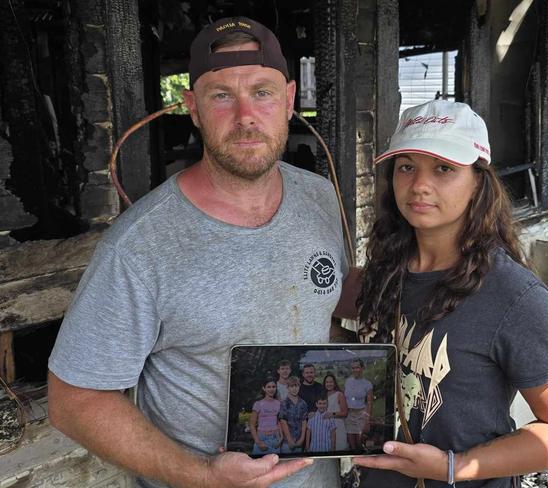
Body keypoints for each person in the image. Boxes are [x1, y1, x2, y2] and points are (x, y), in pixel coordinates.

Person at [47, 16, 351, 488]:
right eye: (222, 95)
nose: (246, 115)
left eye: (263, 92)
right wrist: (200, 474)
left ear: (289, 100)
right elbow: (75, 401)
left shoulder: (320, 199)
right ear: (192, 107)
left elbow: (324, 310)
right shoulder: (140, 246)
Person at [353, 100, 548, 487]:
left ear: (479, 181)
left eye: (444, 168)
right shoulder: (386, 269)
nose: (419, 185)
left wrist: (454, 466)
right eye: (406, 166)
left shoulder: (514, 297)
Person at [343, 359, 373, 450]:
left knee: (359, 442)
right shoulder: (347, 381)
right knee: (351, 443)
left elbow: (370, 402)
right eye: (353, 368)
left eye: (357, 367)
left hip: (361, 415)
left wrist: (367, 420)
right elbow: (344, 398)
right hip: (349, 415)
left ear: (362, 368)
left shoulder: (367, 384)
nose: (355, 370)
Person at [251, 378, 283, 456]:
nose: (271, 389)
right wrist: (258, 442)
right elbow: (252, 425)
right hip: (262, 439)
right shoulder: (258, 404)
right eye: (268, 387)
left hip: (275, 438)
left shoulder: (279, 404)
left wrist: (281, 437)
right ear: (264, 388)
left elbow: (279, 421)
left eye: (273, 387)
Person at [279, 376, 309, 453]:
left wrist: (302, 438)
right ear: (288, 388)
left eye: (296, 386)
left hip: (299, 440)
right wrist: (289, 439)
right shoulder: (284, 403)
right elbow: (283, 422)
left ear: (299, 387)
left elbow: (304, 421)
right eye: (292, 386)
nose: (294, 389)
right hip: (287, 442)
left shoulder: (303, 403)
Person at [323, 373, 349, 451]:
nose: (329, 384)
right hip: (326, 426)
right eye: (327, 382)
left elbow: (345, 412)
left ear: (334, 383)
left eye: (331, 382)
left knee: (338, 448)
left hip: (338, 426)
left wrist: (332, 414)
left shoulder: (339, 395)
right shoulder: (323, 395)